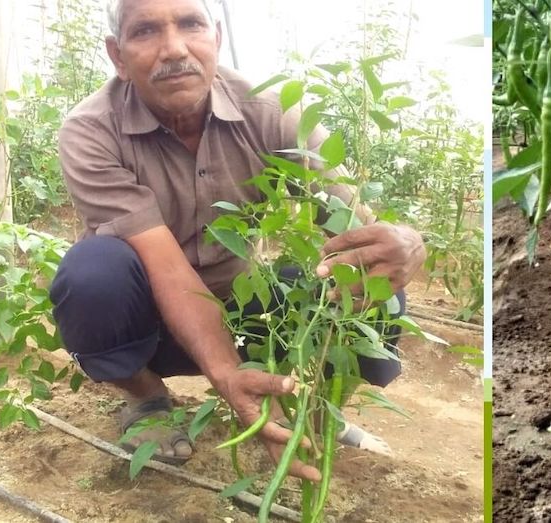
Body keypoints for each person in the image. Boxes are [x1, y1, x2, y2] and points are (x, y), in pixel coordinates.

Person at [50, 0, 426, 482]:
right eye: (145, 31)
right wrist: (227, 374)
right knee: (91, 276)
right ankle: (146, 396)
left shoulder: (274, 112)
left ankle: (316, 409)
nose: (174, 49)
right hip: (146, 315)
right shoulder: (91, 130)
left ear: (217, 38)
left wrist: (407, 240)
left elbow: (355, 228)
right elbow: (166, 268)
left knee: (372, 285)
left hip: (247, 308)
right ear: (117, 55)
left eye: (191, 24)